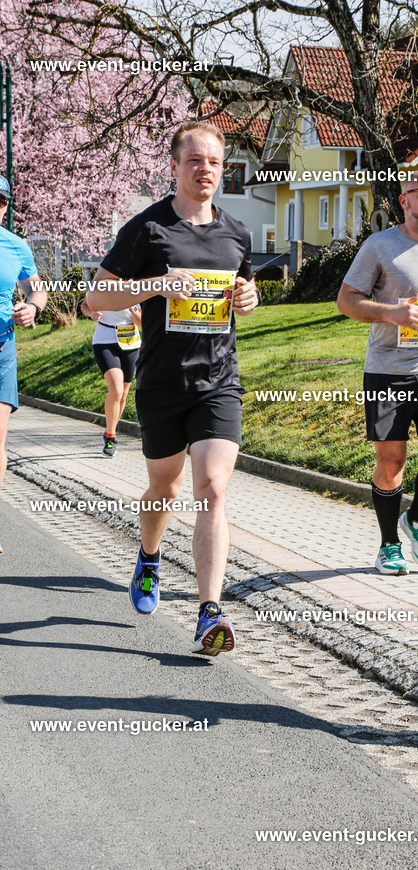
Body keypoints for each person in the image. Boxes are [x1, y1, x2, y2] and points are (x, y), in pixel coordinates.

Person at [85, 121, 259, 655]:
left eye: (215, 162)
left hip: (218, 381)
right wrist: (157, 285)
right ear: (175, 166)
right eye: (195, 160)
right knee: (165, 488)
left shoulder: (237, 233)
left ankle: (210, 611)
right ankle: (149, 556)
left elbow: (244, 290)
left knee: (213, 489)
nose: (206, 170)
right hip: (162, 382)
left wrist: (249, 299)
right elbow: (97, 299)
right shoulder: (147, 228)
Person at [337, 171, 418, 575]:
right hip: (387, 371)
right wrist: (391, 313)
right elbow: (346, 300)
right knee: (391, 462)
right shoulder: (379, 247)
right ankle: (389, 545)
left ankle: (415, 518)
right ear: (405, 200)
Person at [0, 174, 47, 551]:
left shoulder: (16, 246)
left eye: (1, 201)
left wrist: (32, 308)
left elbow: (37, 289)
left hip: (2, 348)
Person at [81, 299, 142, 456]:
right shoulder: (103, 286)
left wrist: (132, 306)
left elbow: (143, 324)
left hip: (130, 343)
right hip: (105, 340)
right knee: (116, 389)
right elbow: (84, 304)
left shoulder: (139, 289)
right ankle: (111, 436)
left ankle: (109, 432)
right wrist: (91, 313)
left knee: (123, 395)